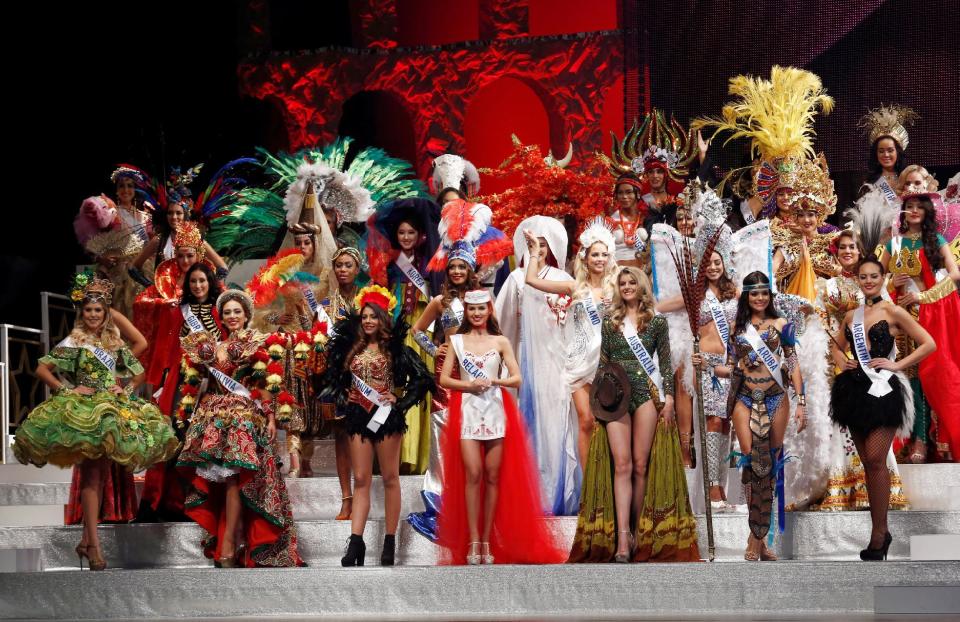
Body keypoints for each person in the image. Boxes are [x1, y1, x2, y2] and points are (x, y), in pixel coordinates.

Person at [14, 272, 178, 570]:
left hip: (111, 410)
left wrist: (124, 387)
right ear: (82, 312)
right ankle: (94, 547)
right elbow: (42, 369)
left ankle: (87, 542)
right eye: (88, 309)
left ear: (106, 314)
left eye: (98, 310)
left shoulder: (113, 343)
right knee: (91, 477)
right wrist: (68, 388)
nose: (92, 314)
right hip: (84, 413)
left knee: (99, 476)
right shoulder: (75, 341)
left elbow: (139, 370)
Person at [569, 267, 698, 563]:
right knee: (622, 465)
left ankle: (640, 529)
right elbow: (603, 363)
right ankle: (623, 536)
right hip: (614, 395)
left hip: (644, 394)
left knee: (641, 465)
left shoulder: (656, 323)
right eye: (622, 283)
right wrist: (597, 401)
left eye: (631, 283)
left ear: (641, 287)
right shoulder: (610, 322)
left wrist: (667, 397)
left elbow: (665, 364)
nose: (627, 287)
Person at [436, 289, 566, 564]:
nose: (477, 314)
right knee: (473, 472)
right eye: (472, 309)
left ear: (489, 311)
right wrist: (468, 385)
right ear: (467, 313)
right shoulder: (456, 341)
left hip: (495, 409)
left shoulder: (501, 341)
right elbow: (445, 379)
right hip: (469, 410)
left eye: (482, 309)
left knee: (493, 476)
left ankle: (486, 540)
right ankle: (472, 540)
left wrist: (497, 382)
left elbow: (517, 378)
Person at [176, 290, 303, 568]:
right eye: (227, 313)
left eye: (237, 312)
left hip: (245, 418)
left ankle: (230, 544)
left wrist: (270, 418)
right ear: (221, 318)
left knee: (235, 477)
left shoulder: (257, 342)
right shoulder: (212, 346)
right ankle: (227, 540)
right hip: (216, 419)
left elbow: (265, 384)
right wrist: (191, 412)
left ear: (246, 315)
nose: (232, 317)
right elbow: (200, 384)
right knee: (220, 481)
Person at [321, 284, 434, 566]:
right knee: (360, 479)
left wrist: (400, 400)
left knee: (389, 478)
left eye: (373, 316)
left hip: (385, 417)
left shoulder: (396, 349)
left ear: (383, 318)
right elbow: (334, 378)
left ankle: (389, 542)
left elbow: (422, 379)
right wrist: (342, 392)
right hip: (358, 416)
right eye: (364, 317)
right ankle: (355, 543)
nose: (368, 321)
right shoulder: (351, 349)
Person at [830, 257, 935, 559]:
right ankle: (879, 534)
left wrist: (897, 364)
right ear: (857, 280)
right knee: (868, 462)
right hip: (854, 391)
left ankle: (880, 531)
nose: (868, 281)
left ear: (883, 277)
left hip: (885, 389)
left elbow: (928, 343)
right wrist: (843, 362)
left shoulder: (893, 310)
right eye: (863, 277)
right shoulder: (851, 315)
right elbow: (836, 347)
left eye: (874, 276)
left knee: (876, 458)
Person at [496, 215, 580, 516]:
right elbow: (502, 321)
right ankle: (528, 493)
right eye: (534, 245)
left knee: (557, 421)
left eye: (544, 245)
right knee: (526, 424)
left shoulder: (562, 279)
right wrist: (505, 363)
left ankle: (560, 488)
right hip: (523, 359)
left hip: (558, 360)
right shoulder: (516, 279)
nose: (540, 250)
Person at [521, 218, 617, 467]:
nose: (599, 259)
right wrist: (533, 253)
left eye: (604, 254)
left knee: (606, 424)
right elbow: (531, 280)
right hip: (579, 362)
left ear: (610, 258)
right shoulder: (574, 287)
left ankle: (605, 485)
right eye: (595, 254)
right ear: (586, 258)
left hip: (607, 362)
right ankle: (588, 488)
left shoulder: (617, 288)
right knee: (586, 421)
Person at [726, 271, 806, 561]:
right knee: (752, 463)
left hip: (775, 397)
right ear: (747, 296)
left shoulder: (782, 324)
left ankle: (758, 537)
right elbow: (728, 366)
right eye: (754, 293)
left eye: (764, 293)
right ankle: (755, 530)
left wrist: (802, 401)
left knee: (770, 465)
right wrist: (708, 365)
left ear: (770, 296)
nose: (759, 298)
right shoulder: (737, 327)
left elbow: (793, 362)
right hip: (744, 398)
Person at [136, 262, 223, 522]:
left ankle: (202, 504)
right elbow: (164, 348)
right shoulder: (178, 312)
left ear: (210, 283)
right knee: (176, 438)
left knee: (205, 441)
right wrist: (160, 382)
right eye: (193, 281)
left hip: (213, 384)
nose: (198, 286)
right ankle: (171, 502)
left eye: (202, 281)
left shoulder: (221, 311)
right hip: (181, 381)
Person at [880, 191, 960, 462]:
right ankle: (905, 439)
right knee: (907, 377)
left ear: (927, 212)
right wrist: (892, 283)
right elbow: (877, 280)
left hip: (929, 316)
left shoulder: (936, 241)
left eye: (918, 207)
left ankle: (925, 442)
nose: (913, 211)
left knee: (929, 377)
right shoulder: (894, 244)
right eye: (909, 207)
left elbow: (955, 274)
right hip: (899, 317)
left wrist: (923, 297)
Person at [366, 198, 443, 474]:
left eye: (411, 232)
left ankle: (422, 456)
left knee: (421, 385)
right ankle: (399, 455)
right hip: (398, 330)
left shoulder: (430, 262)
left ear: (420, 235)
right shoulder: (389, 263)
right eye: (402, 233)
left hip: (422, 331)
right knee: (399, 385)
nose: (407, 237)